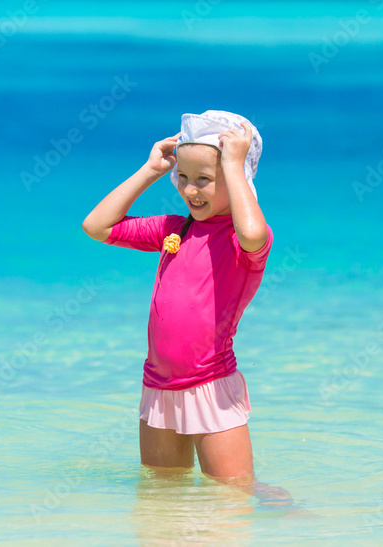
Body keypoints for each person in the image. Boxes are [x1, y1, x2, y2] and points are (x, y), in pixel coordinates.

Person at [82, 110, 272, 487]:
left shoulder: (240, 240)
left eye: (204, 179)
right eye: (182, 178)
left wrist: (233, 164)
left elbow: (253, 232)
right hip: (157, 387)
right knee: (160, 496)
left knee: (232, 496)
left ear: (236, 178)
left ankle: (288, 513)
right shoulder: (174, 229)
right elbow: (97, 226)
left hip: (211, 385)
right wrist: (150, 171)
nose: (189, 190)